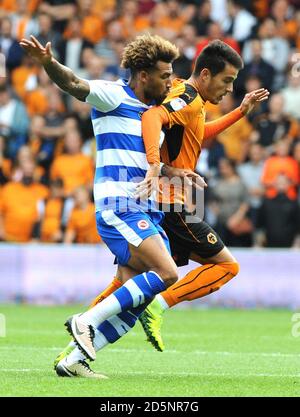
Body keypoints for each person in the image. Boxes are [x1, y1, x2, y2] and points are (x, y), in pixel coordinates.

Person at [54, 40, 269, 372]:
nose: (171, 81)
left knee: (130, 289)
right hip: (156, 200)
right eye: (227, 81)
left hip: (151, 201)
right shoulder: (180, 97)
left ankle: (73, 357)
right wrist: (157, 166)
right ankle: (93, 321)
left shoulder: (184, 102)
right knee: (182, 272)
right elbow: (148, 114)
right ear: (207, 74)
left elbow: (194, 133)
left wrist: (239, 113)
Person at [20, 33, 180, 378]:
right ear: (143, 76)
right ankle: (84, 321)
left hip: (145, 210)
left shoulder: (154, 115)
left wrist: (174, 173)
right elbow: (75, 83)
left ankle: (74, 361)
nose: (170, 81)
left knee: (135, 298)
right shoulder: (112, 96)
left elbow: (145, 161)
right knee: (167, 273)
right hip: (120, 206)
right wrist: (48, 63)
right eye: (164, 75)